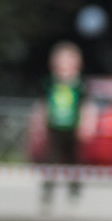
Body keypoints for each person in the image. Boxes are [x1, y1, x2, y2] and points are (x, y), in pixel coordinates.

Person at [37, 41, 87, 212]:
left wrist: (87, 124)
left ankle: (74, 191)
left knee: (73, 160)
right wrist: (39, 125)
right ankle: (47, 192)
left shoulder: (79, 85)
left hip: (73, 128)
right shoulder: (50, 83)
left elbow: (86, 106)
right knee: (51, 159)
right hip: (54, 128)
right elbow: (42, 105)